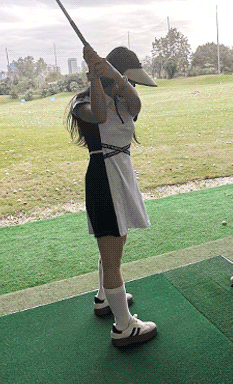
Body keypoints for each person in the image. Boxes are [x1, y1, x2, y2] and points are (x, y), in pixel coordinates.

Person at [67, 45, 159, 346]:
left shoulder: (124, 98)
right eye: (126, 79)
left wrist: (111, 75)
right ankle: (123, 326)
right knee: (112, 254)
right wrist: (95, 76)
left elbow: (136, 103)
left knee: (115, 246)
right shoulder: (82, 102)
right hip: (103, 177)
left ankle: (105, 298)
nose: (129, 85)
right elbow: (98, 114)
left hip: (121, 174)